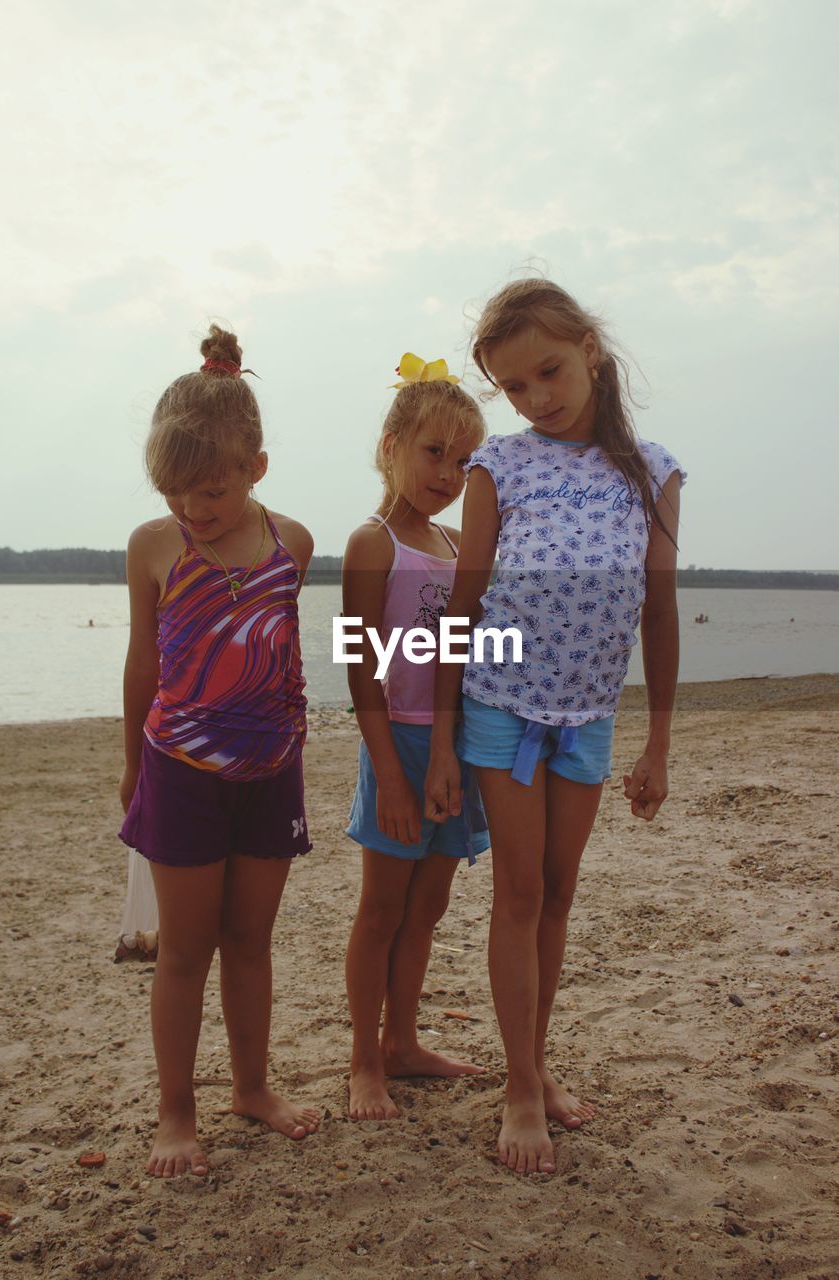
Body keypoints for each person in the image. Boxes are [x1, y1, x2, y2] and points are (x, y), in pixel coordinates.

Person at [424, 281, 684, 1175]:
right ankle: (520, 1088)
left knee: (562, 896)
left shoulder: (651, 471)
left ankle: (536, 1059)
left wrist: (657, 741)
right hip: (501, 707)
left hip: (590, 719)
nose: (539, 396)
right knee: (521, 893)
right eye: (517, 386)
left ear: (589, 350)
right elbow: (464, 602)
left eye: (549, 370)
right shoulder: (502, 466)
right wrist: (446, 731)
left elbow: (657, 609)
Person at [119, 325, 319, 1177]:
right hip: (182, 775)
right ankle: (175, 1110)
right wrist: (131, 765)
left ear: (255, 469)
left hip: (272, 771)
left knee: (251, 940)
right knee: (185, 951)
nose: (193, 512)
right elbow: (144, 659)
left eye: (210, 492)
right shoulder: (154, 547)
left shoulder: (293, 545)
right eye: (175, 495)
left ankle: (250, 1086)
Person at [344, 353, 491, 1121]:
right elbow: (361, 672)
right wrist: (393, 775)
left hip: (451, 748)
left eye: (463, 461)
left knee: (429, 904)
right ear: (392, 444)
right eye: (434, 452)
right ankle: (365, 1061)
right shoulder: (374, 545)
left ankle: (403, 1041)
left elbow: (462, 658)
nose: (447, 472)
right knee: (382, 909)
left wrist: (452, 753)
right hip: (395, 747)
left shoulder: (457, 547)